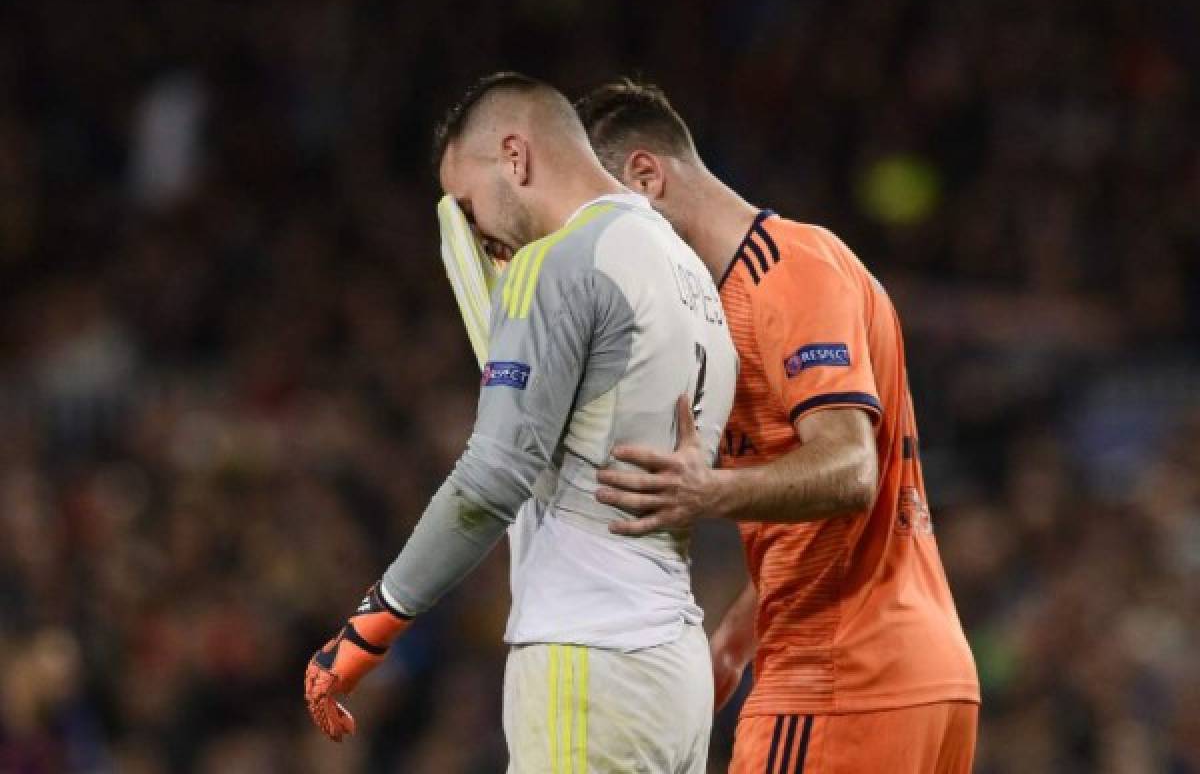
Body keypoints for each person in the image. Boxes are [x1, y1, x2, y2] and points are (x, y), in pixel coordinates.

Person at [303, 72, 737, 774]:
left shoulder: (557, 263)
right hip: (672, 667)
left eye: (468, 205)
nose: (477, 233)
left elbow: (494, 476)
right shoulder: (688, 270)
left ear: (516, 157)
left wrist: (371, 626)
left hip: (588, 657)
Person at [577, 80, 980, 774]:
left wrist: (705, 494)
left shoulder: (786, 271)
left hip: (838, 679)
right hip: (894, 671)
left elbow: (851, 469)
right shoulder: (729, 304)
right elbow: (815, 528)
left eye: (599, 225)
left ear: (646, 177)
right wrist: (734, 645)